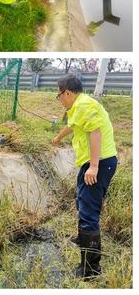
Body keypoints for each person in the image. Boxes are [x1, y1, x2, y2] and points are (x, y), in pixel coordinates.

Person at [52, 74, 117, 279]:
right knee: (82, 201)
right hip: (89, 163)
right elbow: (72, 126)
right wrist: (58, 138)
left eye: (59, 95)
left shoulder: (84, 106)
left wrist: (94, 166)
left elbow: (95, 133)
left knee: (89, 213)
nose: (59, 99)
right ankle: (83, 239)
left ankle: (90, 270)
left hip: (99, 163)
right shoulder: (78, 106)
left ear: (67, 93)